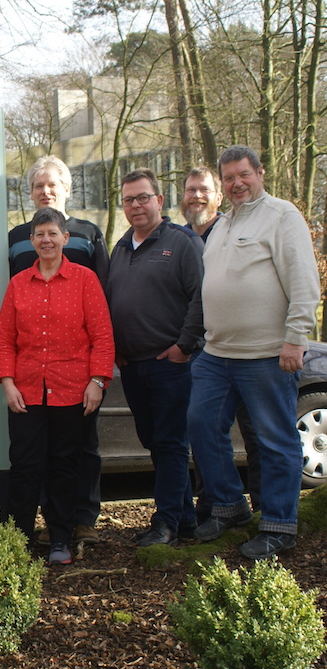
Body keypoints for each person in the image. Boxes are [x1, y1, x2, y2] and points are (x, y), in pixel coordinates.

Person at [189, 145, 321, 560]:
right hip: (216, 353)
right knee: (201, 425)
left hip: (266, 354)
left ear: (260, 173)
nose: (237, 183)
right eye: (228, 178)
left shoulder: (282, 216)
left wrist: (296, 338)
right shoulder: (222, 225)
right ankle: (230, 506)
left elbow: (304, 281)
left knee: (275, 439)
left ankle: (279, 525)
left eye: (243, 174)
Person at [0, 207, 113, 567]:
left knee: (65, 467)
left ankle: (60, 538)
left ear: (65, 238)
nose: (46, 240)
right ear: (31, 241)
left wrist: (97, 382)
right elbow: (5, 340)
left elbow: (102, 336)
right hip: (26, 392)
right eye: (40, 234)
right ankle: (17, 541)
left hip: (73, 391)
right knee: (25, 467)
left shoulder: (85, 280)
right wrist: (8, 383)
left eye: (52, 233)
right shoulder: (18, 284)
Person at [107, 168, 205, 548]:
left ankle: (165, 523)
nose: (136, 205)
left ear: (159, 200)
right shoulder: (120, 248)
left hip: (171, 364)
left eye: (143, 197)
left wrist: (184, 346)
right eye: (129, 199)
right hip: (132, 366)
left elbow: (201, 297)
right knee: (154, 441)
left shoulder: (183, 242)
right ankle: (185, 520)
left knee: (171, 442)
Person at [179, 167, 262, 518]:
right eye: (190, 190)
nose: (196, 196)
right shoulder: (178, 238)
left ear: (218, 196)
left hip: (244, 349)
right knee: (204, 430)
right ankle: (214, 505)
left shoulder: (231, 230)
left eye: (204, 190)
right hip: (198, 353)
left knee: (255, 432)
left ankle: (264, 508)